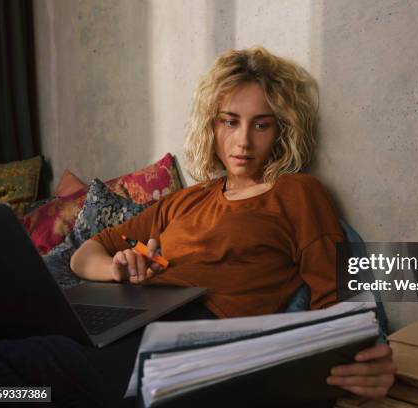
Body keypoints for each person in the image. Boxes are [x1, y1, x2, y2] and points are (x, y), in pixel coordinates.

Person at [70, 46, 395, 402]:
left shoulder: (296, 192)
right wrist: (117, 270)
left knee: (22, 370)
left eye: (261, 124)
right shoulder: (185, 200)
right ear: (212, 125)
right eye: (230, 121)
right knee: (28, 349)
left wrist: (367, 353)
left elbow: (337, 297)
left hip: (195, 336)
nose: (243, 141)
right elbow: (84, 255)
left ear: (280, 131)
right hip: (128, 312)